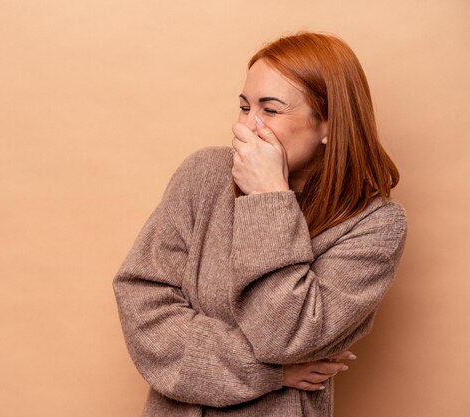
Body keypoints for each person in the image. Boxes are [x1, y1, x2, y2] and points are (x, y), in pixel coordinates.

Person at [112, 31, 408, 417]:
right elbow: (144, 312)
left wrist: (268, 196)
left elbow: (285, 337)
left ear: (330, 125)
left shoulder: (376, 225)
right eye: (243, 106)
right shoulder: (203, 175)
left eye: (269, 110)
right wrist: (271, 372)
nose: (247, 127)